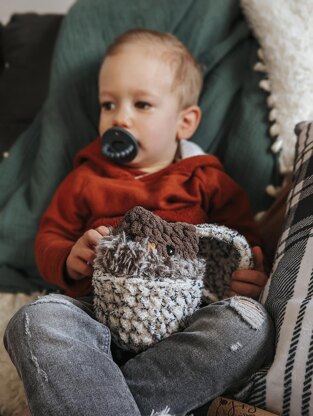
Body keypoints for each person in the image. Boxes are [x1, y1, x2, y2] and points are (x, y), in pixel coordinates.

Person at [4, 28, 274, 416]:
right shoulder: (86, 177)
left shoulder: (207, 180)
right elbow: (51, 236)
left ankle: (96, 397)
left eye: (142, 105)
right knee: (33, 320)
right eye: (108, 105)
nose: (121, 118)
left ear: (185, 122)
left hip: (184, 323)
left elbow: (241, 246)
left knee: (251, 324)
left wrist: (245, 281)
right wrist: (68, 257)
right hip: (96, 320)